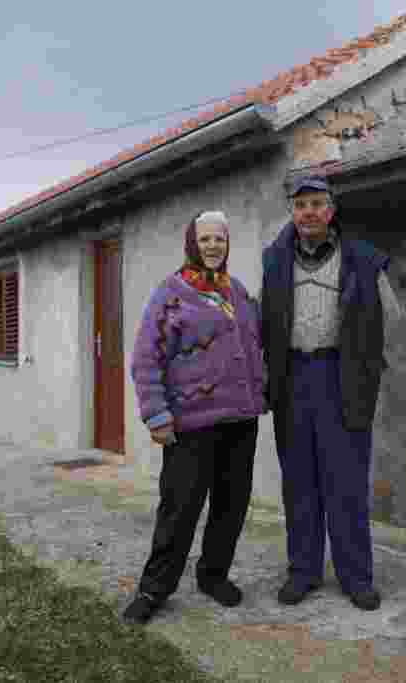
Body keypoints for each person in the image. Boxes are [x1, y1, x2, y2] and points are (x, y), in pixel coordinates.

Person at [260, 175, 402, 611]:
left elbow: (391, 318)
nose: (309, 212)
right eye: (301, 205)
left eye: (317, 204)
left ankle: (356, 578)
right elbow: (263, 324)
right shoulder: (274, 261)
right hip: (292, 379)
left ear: (331, 210)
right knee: (300, 483)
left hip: (342, 379)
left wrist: (367, 367)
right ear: (292, 212)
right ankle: (302, 572)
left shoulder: (360, 259)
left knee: (346, 484)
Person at [124, 210, 267, 625]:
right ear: (192, 243)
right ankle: (154, 589)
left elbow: (254, 347)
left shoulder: (237, 292)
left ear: (227, 244)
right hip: (191, 424)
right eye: (204, 239)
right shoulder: (170, 293)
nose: (212, 246)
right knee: (180, 508)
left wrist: (260, 393)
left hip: (240, 420)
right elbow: (145, 358)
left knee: (231, 503)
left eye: (219, 239)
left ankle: (213, 574)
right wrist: (156, 415)